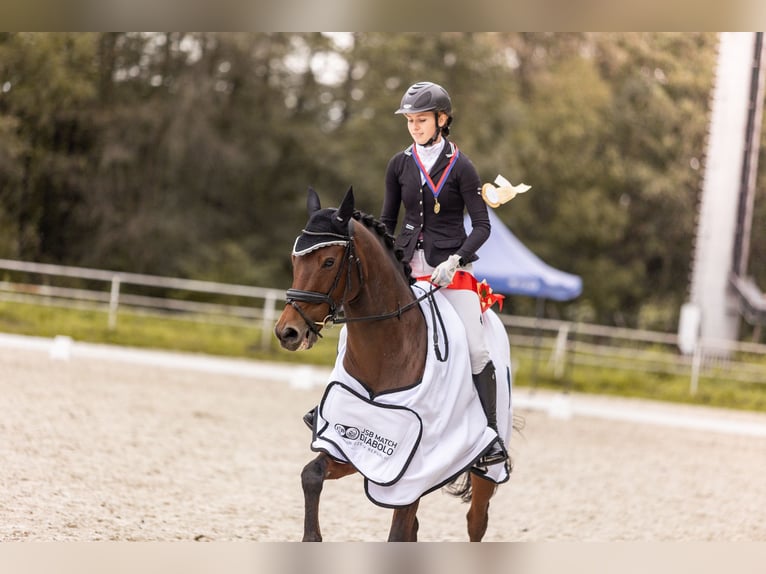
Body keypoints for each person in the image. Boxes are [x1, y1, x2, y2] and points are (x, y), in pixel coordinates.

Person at [380, 81, 506, 470]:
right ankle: (340, 409)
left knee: (475, 347)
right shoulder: (399, 164)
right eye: (410, 121)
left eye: (421, 120)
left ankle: (490, 436)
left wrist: (456, 259)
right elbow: (387, 219)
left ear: (442, 119)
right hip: (406, 264)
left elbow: (482, 225)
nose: (415, 127)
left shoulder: (462, 166)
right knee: (364, 322)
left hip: (451, 270)